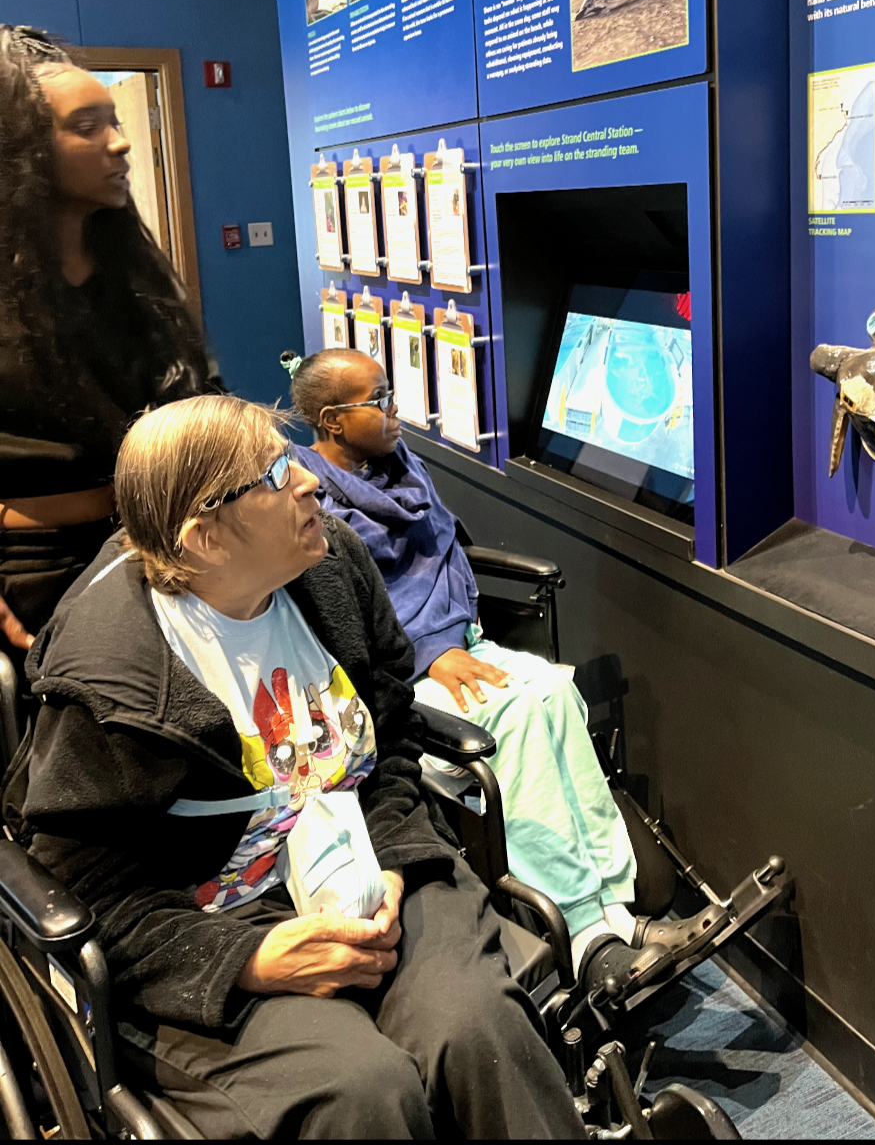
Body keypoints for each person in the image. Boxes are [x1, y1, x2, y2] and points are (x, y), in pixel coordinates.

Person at [6, 394, 582, 1139]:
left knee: (475, 1030)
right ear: (206, 537)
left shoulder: (333, 566)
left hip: (366, 862)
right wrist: (250, 958)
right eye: (276, 474)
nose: (308, 480)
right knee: (359, 1090)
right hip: (211, 919)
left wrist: (395, 868)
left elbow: (393, 737)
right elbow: (91, 900)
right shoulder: (113, 687)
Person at [284, 348, 720, 997]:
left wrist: (455, 639)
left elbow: (447, 561)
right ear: (333, 421)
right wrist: (431, 651)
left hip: (463, 642)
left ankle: (617, 914)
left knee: (555, 690)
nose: (394, 407)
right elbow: (358, 623)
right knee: (514, 713)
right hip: (398, 679)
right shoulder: (322, 511)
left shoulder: (400, 466)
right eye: (377, 400)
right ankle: (582, 934)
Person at [0, 27, 215, 654]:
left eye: (115, 121)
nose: (120, 143)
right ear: (21, 148)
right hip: (29, 572)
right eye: (87, 126)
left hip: (146, 548)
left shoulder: (130, 282)